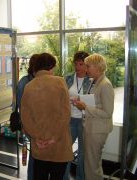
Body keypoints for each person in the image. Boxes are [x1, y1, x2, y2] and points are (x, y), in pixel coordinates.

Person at [21, 52, 73, 180]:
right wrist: (54, 138)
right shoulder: (60, 82)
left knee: (40, 176)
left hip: (39, 145)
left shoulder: (29, 86)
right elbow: (65, 114)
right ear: (51, 67)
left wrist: (36, 138)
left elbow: (25, 117)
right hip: (59, 144)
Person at [74, 53, 114, 180]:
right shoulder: (95, 82)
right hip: (92, 128)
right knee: (91, 164)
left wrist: (85, 107)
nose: (86, 69)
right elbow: (95, 103)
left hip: (97, 130)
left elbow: (107, 113)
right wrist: (82, 103)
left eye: (88, 66)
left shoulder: (105, 85)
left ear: (97, 67)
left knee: (92, 166)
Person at [63, 51, 91, 180]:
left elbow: (94, 102)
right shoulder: (68, 78)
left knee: (82, 154)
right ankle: (64, 177)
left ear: (87, 65)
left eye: (81, 64)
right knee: (66, 151)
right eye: (76, 64)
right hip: (70, 119)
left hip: (85, 120)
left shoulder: (91, 80)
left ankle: (80, 178)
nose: (78, 67)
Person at [16, 54, 39, 180]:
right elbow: (21, 107)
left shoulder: (38, 81)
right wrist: (24, 125)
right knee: (34, 154)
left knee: (36, 153)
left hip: (38, 123)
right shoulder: (24, 83)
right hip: (30, 123)